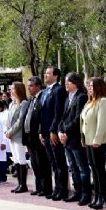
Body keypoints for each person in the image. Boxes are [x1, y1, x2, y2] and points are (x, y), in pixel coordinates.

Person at [59, 73, 90, 205]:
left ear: (76, 83)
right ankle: (77, 192)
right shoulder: (67, 98)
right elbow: (63, 117)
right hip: (66, 139)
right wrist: (60, 130)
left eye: (68, 82)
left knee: (82, 167)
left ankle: (86, 194)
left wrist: (65, 130)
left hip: (76, 138)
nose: (66, 84)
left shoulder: (81, 97)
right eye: (65, 82)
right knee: (73, 167)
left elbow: (78, 118)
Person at [80, 77, 106, 210]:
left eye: (92, 86)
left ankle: (102, 196)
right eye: (88, 86)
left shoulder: (103, 101)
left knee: (99, 169)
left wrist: (97, 140)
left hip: (98, 141)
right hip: (88, 140)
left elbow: (102, 123)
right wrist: (83, 138)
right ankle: (97, 196)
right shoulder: (89, 102)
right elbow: (83, 122)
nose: (89, 88)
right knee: (93, 168)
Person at [40, 67, 69, 201]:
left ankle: (62, 189)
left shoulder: (59, 90)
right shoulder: (45, 91)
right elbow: (42, 113)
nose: (45, 75)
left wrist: (53, 130)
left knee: (59, 163)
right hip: (45, 132)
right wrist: (41, 131)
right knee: (53, 163)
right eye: (45, 73)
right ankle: (56, 188)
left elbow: (59, 113)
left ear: (56, 76)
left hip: (53, 132)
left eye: (48, 73)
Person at [23, 76, 47, 196]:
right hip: (29, 137)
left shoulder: (42, 98)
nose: (29, 88)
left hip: (37, 137)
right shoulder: (31, 99)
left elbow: (41, 118)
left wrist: (40, 132)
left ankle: (45, 188)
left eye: (31, 86)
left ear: (38, 86)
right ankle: (38, 187)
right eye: (28, 86)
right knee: (34, 164)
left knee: (41, 163)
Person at [5, 82, 29, 193]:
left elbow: (20, 120)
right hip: (11, 136)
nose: (11, 91)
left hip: (18, 136)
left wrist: (11, 131)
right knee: (16, 160)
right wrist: (7, 131)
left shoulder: (24, 103)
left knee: (21, 160)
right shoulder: (12, 104)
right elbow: (8, 120)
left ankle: (23, 185)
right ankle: (19, 184)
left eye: (13, 89)